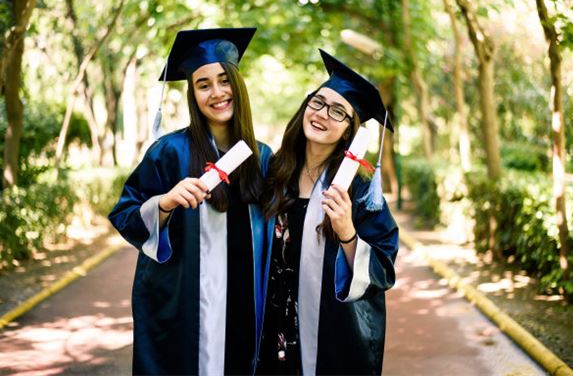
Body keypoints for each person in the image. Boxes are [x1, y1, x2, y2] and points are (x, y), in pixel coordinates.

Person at [108, 28, 272, 375]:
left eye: (224, 80)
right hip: (189, 308)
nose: (217, 93)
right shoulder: (170, 152)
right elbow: (124, 214)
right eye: (203, 84)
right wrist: (164, 204)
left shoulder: (263, 157)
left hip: (246, 307)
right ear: (192, 94)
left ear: (238, 85)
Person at [257, 49, 399, 375]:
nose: (322, 114)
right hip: (270, 329)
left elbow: (383, 269)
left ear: (349, 131)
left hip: (328, 335)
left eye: (338, 111)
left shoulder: (359, 192)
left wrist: (347, 231)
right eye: (318, 102)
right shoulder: (274, 173)